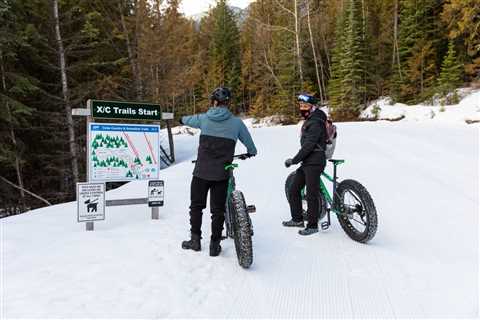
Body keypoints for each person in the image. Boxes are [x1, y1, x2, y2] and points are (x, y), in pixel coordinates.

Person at [180, 87, 258, 256]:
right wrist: (251, 152)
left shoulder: (203, 119)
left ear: (213, 102)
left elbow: (186, 120)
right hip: (221, 174)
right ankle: (214, 245)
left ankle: (195, 240)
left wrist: (180, 119)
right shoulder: (237, 123)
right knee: (218, 210)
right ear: (227, 103)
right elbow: (251, 146)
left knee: (196, 206)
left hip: (201, 171)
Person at [283, 94, 328, 236]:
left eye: (305, 106)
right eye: (301, 106)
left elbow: (309, 145)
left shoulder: (316, 122)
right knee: (294, 189)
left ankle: (313, 225)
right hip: (308, 162)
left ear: (313, 107)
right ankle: (297, 219)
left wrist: (294, 160)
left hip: (315, 162)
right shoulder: (312, 119)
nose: (302, 109)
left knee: (311, 194)